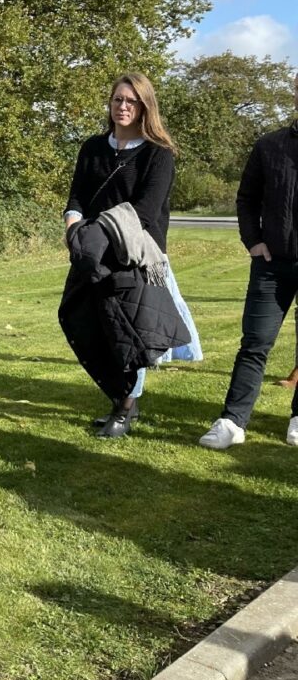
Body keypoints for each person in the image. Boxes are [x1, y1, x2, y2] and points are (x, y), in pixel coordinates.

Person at [60, 72, 196, 439]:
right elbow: (77, 196)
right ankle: (118, 396)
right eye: (118, 99)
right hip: (91, 254)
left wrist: (96, 231)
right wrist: (73, 226)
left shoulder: (158, 153)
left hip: (133, 255)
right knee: (80, 322)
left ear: (144, 108)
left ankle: (124, 408)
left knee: (126, 335)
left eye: (131, 101)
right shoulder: (92, 148)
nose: (123, 106)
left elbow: (146, 211)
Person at [199, 72, 298, 449]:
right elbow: (246, 199)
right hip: (271, 265)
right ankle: (232, 421)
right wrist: (253, 241)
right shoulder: (269, 146)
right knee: (254, 344)